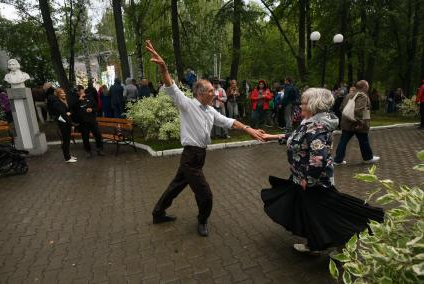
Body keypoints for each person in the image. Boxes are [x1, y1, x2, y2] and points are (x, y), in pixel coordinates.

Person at [145, 40, 265, 237]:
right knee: (205, 194)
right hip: (191, 157)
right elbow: (171, 86)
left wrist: (249, 129)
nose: (214, 92)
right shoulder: (187, 104)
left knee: (176, 186)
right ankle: (202, 221)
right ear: (200, 93)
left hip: (199, 156)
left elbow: (228, 121)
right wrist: (164, 68)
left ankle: (158, 213)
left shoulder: (210, 110)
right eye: (210, 90)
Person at [260, 87, 384, 253]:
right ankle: (317, 243)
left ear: (313, 105)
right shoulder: (310, 122)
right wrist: (273, 137)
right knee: (316, 212)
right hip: (303, 177)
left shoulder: (317, 127)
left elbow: (318, 158)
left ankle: (342, 238)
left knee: (323, 213)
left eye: (303, 103)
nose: (300, 105)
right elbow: (297, 136)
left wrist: (308, 180)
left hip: (314, 181)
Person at [334, 80, 380, 165]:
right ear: (365, 87)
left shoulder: (349, 95)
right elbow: (359, 110)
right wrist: (361, 123)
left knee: (343, 141)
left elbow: (341, 108)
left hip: (346, 122)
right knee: (364, 140)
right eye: (368, 86)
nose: (368, 87)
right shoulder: (362, 96)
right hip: (357, 123)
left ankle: (338, 160)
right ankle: (368, 158)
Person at [72, 85, 104, 158]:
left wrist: (92, 110)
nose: (78, 92)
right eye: (77, 91)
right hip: (83, 123)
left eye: (79, 90)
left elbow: (96, 107)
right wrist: (79, 100)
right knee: (85, 138)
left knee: (98, 135)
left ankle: (99, 149)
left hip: (92, 121)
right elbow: (73, 109)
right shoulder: (75, 99)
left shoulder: (89, 97)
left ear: (83, 90)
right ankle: (88, 151)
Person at [49, 88, 77, 163]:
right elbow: (64, 115)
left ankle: (68, 155)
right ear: (58, 95)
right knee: (66, 141)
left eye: (64, 92)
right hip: (63, 124)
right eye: (61, 93)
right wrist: (72, 124)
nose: (64, 94)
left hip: (66, 123)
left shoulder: (62, 101)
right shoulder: (57, 103)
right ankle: (67, 158)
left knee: (67, 140)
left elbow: (67, 112)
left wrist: (69, 113)